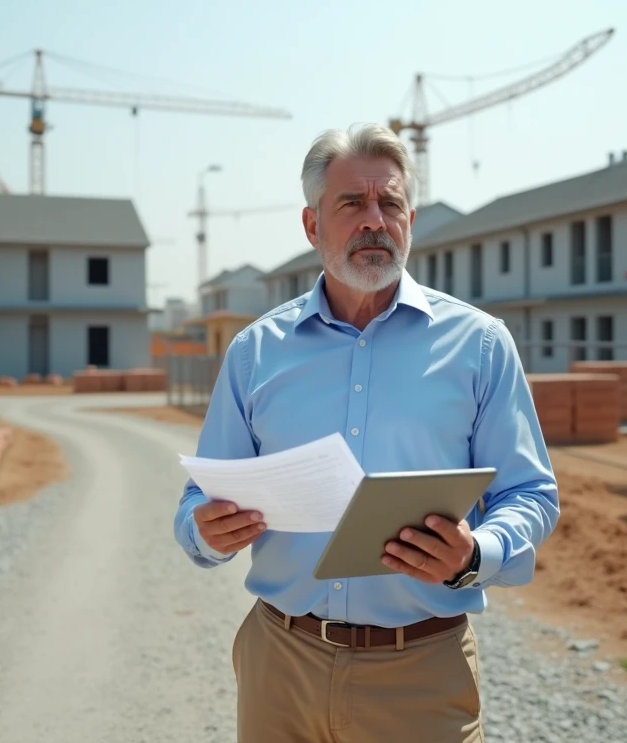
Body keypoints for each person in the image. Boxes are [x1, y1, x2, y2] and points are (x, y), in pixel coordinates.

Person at [173, 122, 559, 742]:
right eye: (352, 203)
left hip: (422, 673)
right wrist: (205, 531)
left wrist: (474, 556)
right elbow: (200, 498)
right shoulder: (255, 353)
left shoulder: (480, 345)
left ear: (410, 221)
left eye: (390, 204)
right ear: (312, 226)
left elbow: (530, 493)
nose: (374, 220)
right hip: (281, 666)